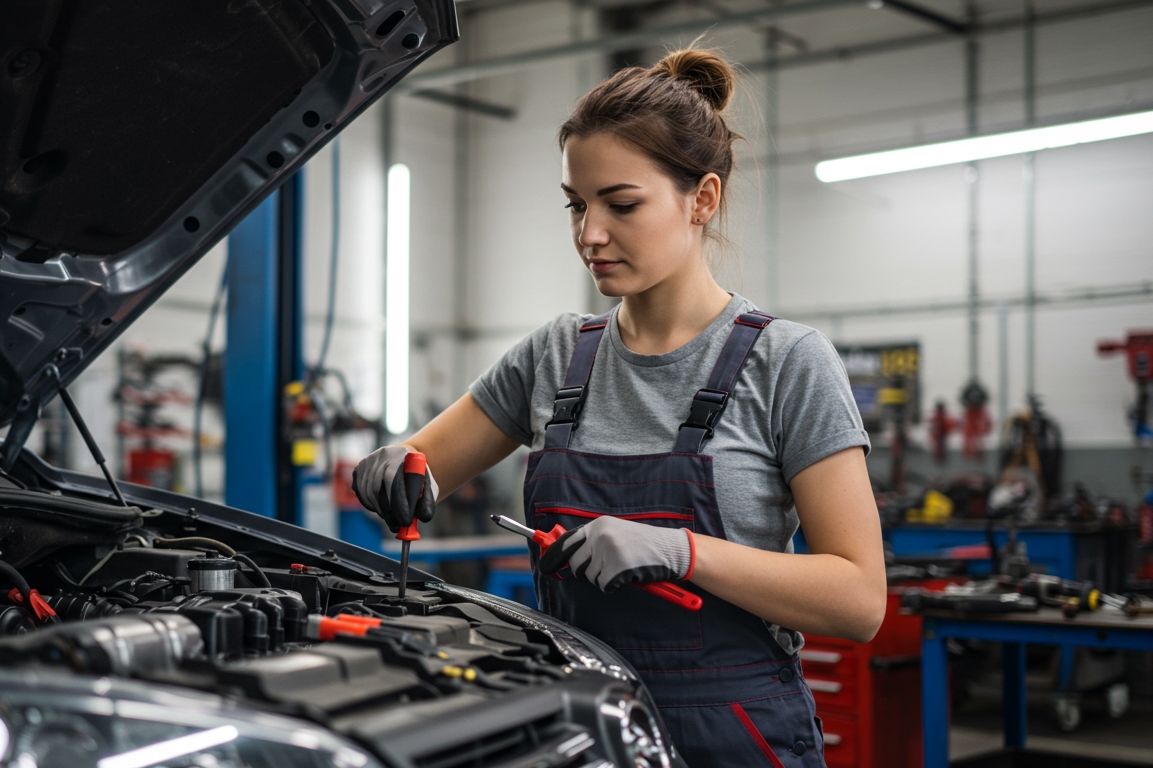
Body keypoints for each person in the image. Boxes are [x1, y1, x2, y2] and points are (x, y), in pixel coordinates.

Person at [353, 47, 885, 767]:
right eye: (577, 205)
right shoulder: (552, 358)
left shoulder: (786, 362)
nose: (589, 235)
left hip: (732, 736)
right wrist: (393, 471)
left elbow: (858, 599)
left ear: (702, 199)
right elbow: (424, 468)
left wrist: (682, 552)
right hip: (578, 729)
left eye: (622, 205)